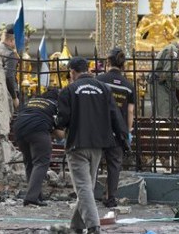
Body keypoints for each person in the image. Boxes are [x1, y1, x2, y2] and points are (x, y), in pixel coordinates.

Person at [56, 57, 128, 234]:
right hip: (98, 145)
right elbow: (115, 115)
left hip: (77, 144)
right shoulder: (104, 89)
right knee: (87, 185)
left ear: (72, 72)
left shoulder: (69, 90)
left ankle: (93, 226)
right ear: (87, 69)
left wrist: (55, 121)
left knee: (83, 187)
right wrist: (124, 137)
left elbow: (62, 120)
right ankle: (76, 226)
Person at [96, 48, 136, 208]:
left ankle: (88, 195)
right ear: (123, 64)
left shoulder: (99, 80)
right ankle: (110, 198)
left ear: (107, 62)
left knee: (94, 162)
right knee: (114, 166)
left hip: (99, 129)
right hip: (118, 131)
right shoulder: (128, 86)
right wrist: (128, 132)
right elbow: (131, 111)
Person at [13, 88, 63, 207]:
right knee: (41, 162)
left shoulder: (32, 101)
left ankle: (37, 195)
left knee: (30, 163)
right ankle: (31, 197)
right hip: (38, 129)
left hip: (19, 129)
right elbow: (60, 134)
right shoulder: (55, 105)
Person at [147, 35, 179, 118]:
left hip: (164, 85)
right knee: (165, 116)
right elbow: (167, 74)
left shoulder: (175, 51)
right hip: (159, 85)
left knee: (173, 114)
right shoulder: (173, 52)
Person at [0, 23, 19, 111]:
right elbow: (9, 76)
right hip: (5, 97)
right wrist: (14, 98)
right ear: (11, 40)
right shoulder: (10, 54)